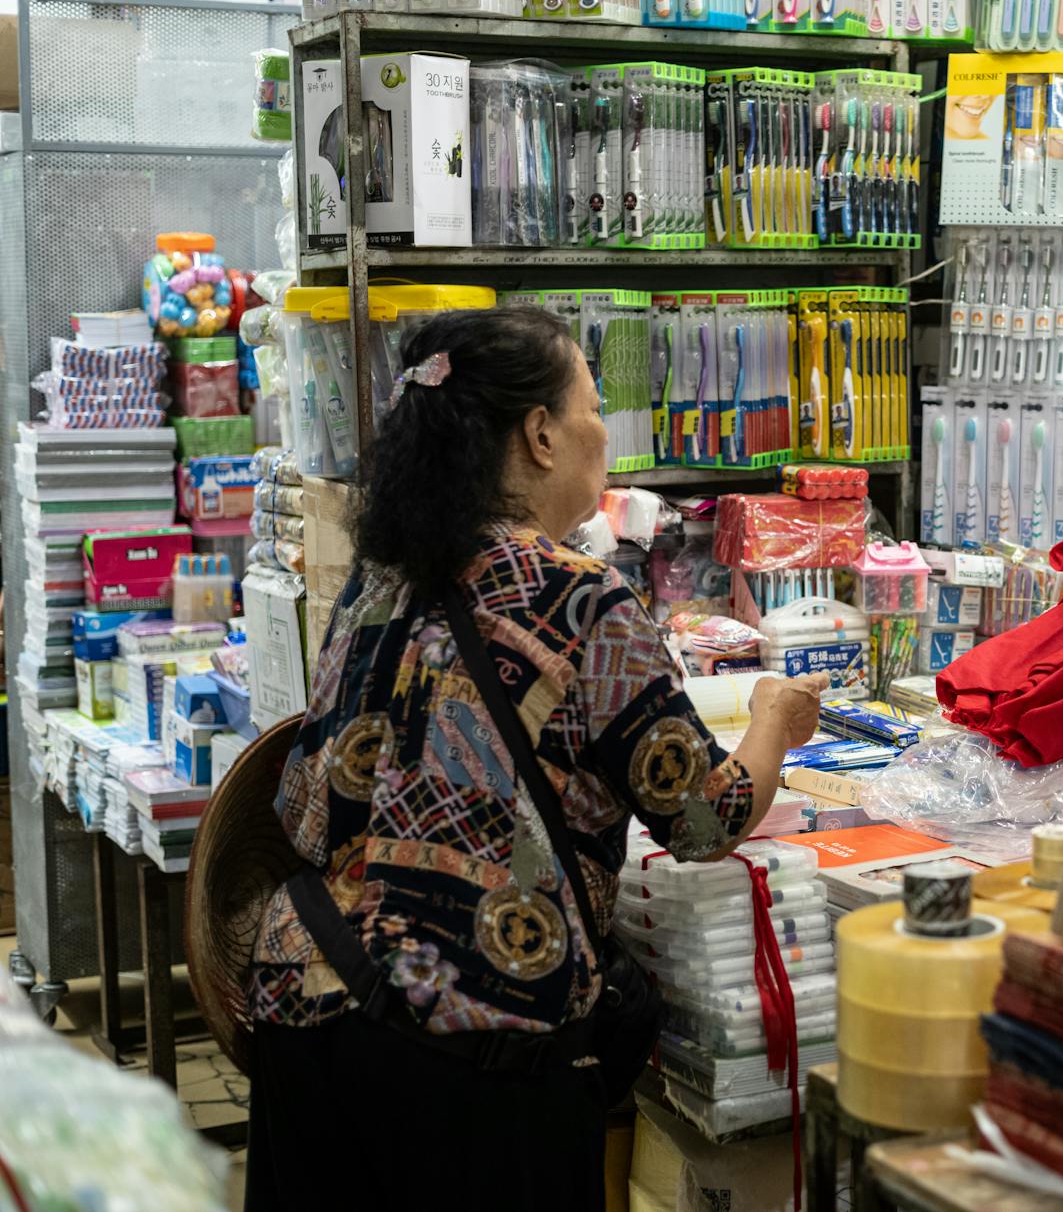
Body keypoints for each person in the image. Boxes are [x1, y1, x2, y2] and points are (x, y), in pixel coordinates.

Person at [243, 305, 827, 1210]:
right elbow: (704, 817)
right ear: (541, 434)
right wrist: (774, 721)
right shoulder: (584, 599)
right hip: (463, 1042)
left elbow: (305, 805)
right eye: (593, 408)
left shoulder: (375, 584)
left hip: (303, 1003)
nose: (605, 433)